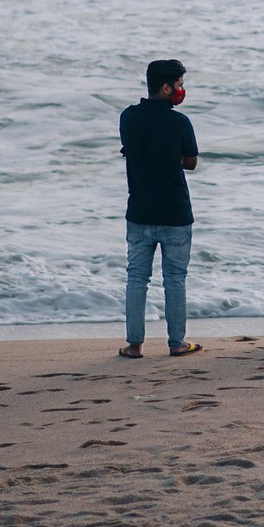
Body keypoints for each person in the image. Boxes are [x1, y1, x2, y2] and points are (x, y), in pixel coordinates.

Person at [118, 59, 202, 358]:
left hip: (139, 211)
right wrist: (171, 157)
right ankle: (177, 343)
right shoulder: (180, 122)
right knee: (175, 280)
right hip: (175, 213)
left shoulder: (128, 118)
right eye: (179, 85)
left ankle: (134, 345)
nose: (181, 90)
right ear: (166, 88)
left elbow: (132, 151)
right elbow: (190, 162)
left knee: (136, 279)